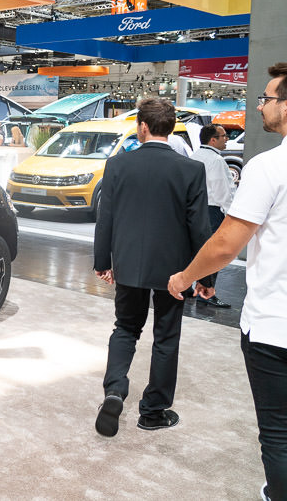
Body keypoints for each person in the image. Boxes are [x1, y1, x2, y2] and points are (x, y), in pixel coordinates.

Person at [168, 63, 287, 501]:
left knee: (278, 432)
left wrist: (184, 277)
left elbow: (225, 246)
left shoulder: (270, 165)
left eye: (268, 98)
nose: (260, 105)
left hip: (276, 324)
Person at [93, 97, 210, 438]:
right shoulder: (191, 170)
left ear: (142, 126)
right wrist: (204, 276)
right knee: (166, 336)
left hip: (129, 264)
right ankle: (153, 411)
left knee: (125, 328)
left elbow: (106, 221)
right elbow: (200, 228)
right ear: (171, 127)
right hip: (175, 272)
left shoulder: (118, 166)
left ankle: (114, 391)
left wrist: (103, 262)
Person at [188, 123, 235, 309]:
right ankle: (207, 291)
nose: (227, 139)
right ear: (213, 139)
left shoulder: (194, 157)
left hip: (194, 210)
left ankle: (191, 288)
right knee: (213, 254)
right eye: (224, 136)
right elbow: (223, 191)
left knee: (195, 251)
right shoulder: (216, 161)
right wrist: (231, 214)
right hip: (212, 211)